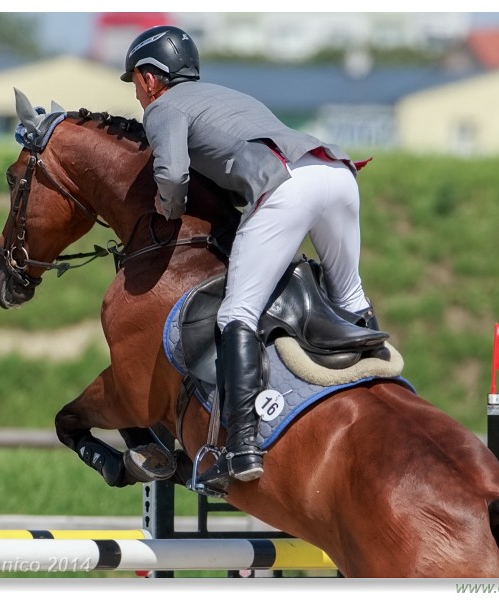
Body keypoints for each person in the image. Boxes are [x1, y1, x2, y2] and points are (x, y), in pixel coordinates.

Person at [121, 25, 388, 489]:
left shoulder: (164, 107)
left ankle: (242, 446)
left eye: (137, 85)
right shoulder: (227, 96)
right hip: (336, 171)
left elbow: (172, 174)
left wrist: (168, 211)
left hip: (285, 183)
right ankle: (386, 397)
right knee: (350, 295)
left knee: (236, 315)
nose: (140, 97)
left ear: (149, 78)